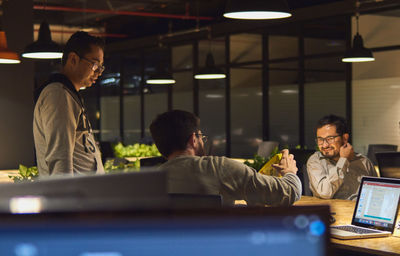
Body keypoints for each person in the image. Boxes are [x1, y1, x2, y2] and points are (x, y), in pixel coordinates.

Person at [149, 110, 302, 206]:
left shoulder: (150, 182)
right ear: (193, 140)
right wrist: (289, 173)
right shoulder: (218, 168)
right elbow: (287, 193)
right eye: (201, 136)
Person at [33, 31, 105, 176]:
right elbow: (60, 158)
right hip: (77, 196)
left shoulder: (68, 94)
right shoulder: (58, 95)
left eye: (101, 67)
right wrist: (67, 197)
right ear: (73, 59)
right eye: (95, 65)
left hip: (86, 194)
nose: (98, 73)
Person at [307, 114, 377, 200]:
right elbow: (325, 193)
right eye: (320, 140)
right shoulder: (315, 161)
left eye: (330, 139)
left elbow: (376, 195)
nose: (324, 145)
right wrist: (343, 160)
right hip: (332, 213)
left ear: (344, 138)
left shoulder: (364, 162)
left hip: (359, 212)